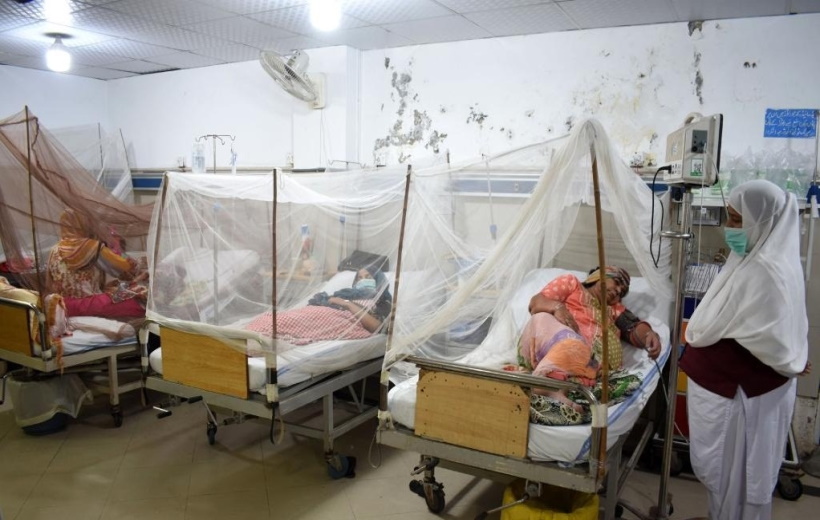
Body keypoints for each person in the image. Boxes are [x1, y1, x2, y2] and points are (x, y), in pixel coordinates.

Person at [680, 180, 809, 520]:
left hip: (742, 396)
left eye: (737, 219)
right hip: (731, 386)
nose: (729, 227)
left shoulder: (767, 271)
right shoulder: (750, 258)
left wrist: (788, 359)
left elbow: (773, 339)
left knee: (737, 478)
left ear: (763, 221)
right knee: (727, 480)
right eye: (729, 217)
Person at [244, 266, 392, 344]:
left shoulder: (382, 300)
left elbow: (376, 327)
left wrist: (347, 304)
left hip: (339, 319)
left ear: (378, 280)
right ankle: (256, 333)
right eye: (359, 277)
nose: (362, 280)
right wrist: (338, 300)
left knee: (286, 323)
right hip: (320, 312)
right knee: (281, 317)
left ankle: (260, 337)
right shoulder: (345, 293)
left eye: (368, 277)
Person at [46, 209, 147, 319]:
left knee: (122, 289)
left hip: (63, 306)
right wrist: (138, 264)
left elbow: (50, 282)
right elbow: (122, 268)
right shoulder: (91, 247)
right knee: (140, 298)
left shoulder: (54, 250)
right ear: (83, 224)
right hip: (90, 304)